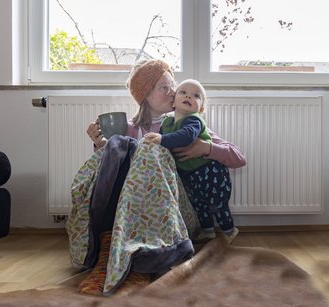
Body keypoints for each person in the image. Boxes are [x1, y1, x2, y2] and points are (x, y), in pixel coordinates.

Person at [67, 59, 246, 297]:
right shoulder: (128, 129)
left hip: (174, 216)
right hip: (124, 217)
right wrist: (100, 145)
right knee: (121, 145)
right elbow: (108, 179)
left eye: (173, 86)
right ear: (146, 95)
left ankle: (143, 262)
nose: (173, 92)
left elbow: (238, 157)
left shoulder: (185, 124)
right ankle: (109, 254)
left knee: (150, 148)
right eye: (165, 87)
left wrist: (206, 148)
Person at [144, 79, 238, 244]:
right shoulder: (166, 123)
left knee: (217, 205)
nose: (188, 96)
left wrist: (161, 139)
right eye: (183, 92)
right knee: (199, 205)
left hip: (210, 171)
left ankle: (229, 231)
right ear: (173, 101)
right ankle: (208, 232)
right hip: (190, 174)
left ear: (200, 108)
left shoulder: (193, 120)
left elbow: (186, 136)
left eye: (196, 95)